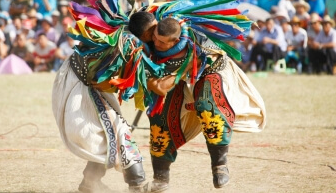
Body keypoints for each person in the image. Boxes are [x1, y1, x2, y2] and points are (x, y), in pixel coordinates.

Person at [128, 12, 266, 192]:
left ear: (175, 41)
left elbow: (163, 86)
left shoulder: (190, 45)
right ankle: (160, 178)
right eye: (152, 37)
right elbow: (159, 86)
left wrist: (156, 82)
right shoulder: (152, 27)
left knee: (207, 103)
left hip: (210, 70)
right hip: (177, 77)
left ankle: (219, 164)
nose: (156, 42)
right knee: (159, 116)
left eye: (161, 41)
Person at [51, 38, 147, 193]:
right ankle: (137, 185)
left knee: (107, 137)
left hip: (78, 89)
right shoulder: (113, 43)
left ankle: (90, 180)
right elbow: (101, 79)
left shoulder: (106, 41)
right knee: (120, 133)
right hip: (80, 96)